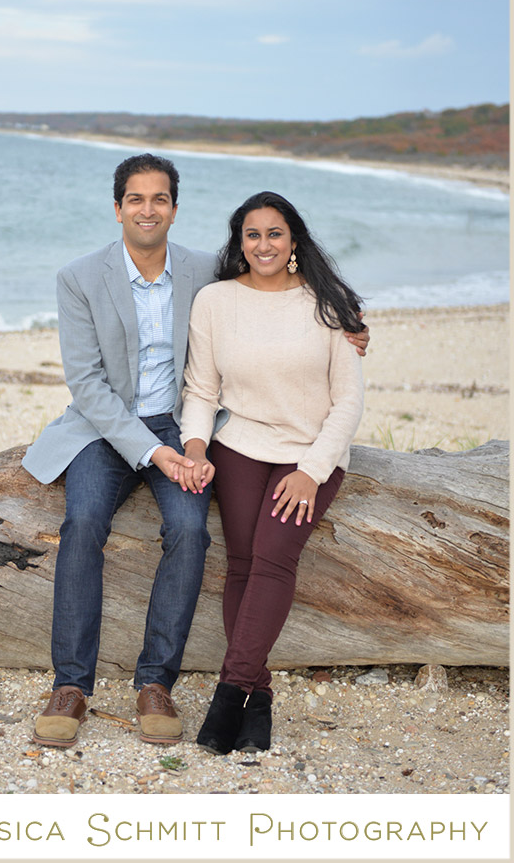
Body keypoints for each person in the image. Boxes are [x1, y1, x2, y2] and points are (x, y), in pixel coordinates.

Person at [20, 154, 367, 750]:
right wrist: (157, 454)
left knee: (190, 531)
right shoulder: (77, 277)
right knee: (81, 523)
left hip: (183, 426)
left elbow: (274, 298)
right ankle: (71, 686)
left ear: (175, 209)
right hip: (106, 428)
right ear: (118, 207)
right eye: (136, 199)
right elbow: (88, 385)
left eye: (160, 199)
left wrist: (350, 329)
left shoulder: (206, 271)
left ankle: (156, 682)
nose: (148, 209)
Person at [180, 191, 364, 755]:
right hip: (238, 445)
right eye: (252, 234)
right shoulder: (214, 300)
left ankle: (230, 693)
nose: (264, 244)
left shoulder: (328, 305)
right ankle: (258, 702)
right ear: (240, 242)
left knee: (273, 556)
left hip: (310, 451)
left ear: (293, 242)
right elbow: (201, 389)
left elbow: (348, 403)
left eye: (275, 233)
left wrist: (311, 470)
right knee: (241, 563)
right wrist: (195, 447)